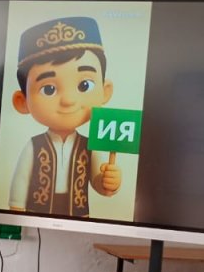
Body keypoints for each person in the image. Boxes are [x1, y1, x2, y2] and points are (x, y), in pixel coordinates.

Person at [8, 16, 121, 216]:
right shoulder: (33, 146)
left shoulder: (90, 146)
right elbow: (21, 180)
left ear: (105, 92)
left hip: (78, 214)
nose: (68, 100)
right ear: (22, 101)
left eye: (84, 85)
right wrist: (16, 209)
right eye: (49, 89)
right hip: (37, 213)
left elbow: (98, 182)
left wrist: (108, 182)